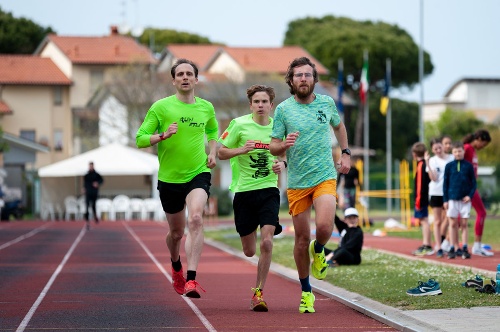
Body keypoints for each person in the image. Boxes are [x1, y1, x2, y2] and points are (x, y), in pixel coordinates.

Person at [269, 57, 351, 314]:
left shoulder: (327, 103)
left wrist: (345, 152)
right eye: (298, 75)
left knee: (325, 227)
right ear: (291, 81)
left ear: (314, 79)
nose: (303, 79)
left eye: (307, 74)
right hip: (297, 183)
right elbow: (273, 146)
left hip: (325, 175)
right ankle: (306, 292)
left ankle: (320, 249)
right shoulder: (283, 110)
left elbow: (339, 127)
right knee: (301, 239)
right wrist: (284, 145)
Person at [136, 58, 218, 298]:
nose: (184, 77)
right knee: (176, 234)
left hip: (198, 172)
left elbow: (212, 130)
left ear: (196, 79)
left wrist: (212, 152)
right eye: (180, 74)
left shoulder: (206, 107)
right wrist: (162, 136)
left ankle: (191, 280)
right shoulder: (161, 107)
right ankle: (175, 265)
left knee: (196, 219)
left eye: (188, 74)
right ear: (173, 80)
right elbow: (140, 138)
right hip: (170, 179)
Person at [218, 84, 284, 312]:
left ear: (271, 105)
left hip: (268, 190)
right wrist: (241, 150)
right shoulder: (239, 125)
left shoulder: (278, 127)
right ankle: (252, 235)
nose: (260, 105)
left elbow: (286, 154)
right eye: (256, 101)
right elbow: (220, 152)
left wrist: (281, 164)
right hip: (244, 192)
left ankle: (258, 292)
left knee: (267, 241)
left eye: (264, 101)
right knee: (249, 251)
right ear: (251, 105)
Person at [443, 141, 476, 259]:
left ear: (463, 151)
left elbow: (473, 183)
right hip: (452, 198)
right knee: (452, 224)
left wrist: (470, 196)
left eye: (460, 151)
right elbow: (445, 184)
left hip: (465, 200)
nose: (458, 153)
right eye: (455, 151)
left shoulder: (468, 166)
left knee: (464, 224)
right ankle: (452, 247)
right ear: (452, 153)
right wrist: (445, 200)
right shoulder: (449, 166)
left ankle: (465, 247)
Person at [463, 129, 493, 257]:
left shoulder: (473, 150)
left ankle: (447, 243)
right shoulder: (467, 148)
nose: (483, 147)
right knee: (481, 212)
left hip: (471, 186)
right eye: (484, 144)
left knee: (459, 216)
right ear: (479, 139)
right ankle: (476, 246)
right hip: (467, 187)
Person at [424, 138, 453, 258]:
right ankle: (439, 246)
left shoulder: (451, 158)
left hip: (449, 193)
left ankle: (448, 243)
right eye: (435, 149)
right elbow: (433, 178)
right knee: (437, 221)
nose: (438, 150)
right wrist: (427, 163)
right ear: (432, 150)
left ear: (443, 146)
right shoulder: (432, 160)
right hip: (436, 192)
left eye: (439, 147)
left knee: (450, 219)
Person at [411, 142, 433, 256]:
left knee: (424, 221)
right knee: (424, 221)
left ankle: (427, 244)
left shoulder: (421, 166)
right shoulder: (424, 164)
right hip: (423, 197)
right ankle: (426, 243)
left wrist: (418, 200)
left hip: (421, 198)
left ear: (414, 154)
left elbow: (420, 185)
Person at [439, 135, 453, 253]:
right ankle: (442, 243)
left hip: (451, 191)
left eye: (449, 143)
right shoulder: (437, 159)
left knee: (449, 219)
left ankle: (445, 243)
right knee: (444, 219)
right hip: (441, 192)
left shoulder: (453, 158)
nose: (448, 145)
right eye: (445, 143)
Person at [83, 161, 103, 227]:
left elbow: (101, 180)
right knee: (87, 206)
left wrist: (97, 183)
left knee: (93, 206)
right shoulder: (86, 175)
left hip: (94, 192)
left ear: (93, 166)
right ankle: (87, 221)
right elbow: (85, 183)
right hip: (88, 192)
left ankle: (95, 216)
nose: (90, 167)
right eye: (89, 166)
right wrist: (84, 188)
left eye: (91, 166)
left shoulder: (96, 174)